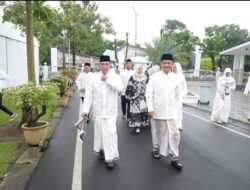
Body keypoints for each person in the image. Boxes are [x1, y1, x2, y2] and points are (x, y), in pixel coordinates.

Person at [82, 55, 123, 169]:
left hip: (111, 112)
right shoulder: (93, 78)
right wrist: (86, 110)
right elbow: (89, 95)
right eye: (102, 64)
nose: (104, 66)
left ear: (110, 65)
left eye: (107, 64)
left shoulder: (115, 76)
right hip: (98, 111)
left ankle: (109, 157)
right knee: (99, 132)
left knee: (110, 133)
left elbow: (120, 88)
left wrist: (107, 80)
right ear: (99, 65)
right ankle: (101, 149)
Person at [146, 53, 183, 170]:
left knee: (175, 135)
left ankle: (174, 158)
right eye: (164, 63)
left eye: (169, 63)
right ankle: (155, 149)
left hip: (171, 113)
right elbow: (148, 94)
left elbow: (178, 95)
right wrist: (151, 108)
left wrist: (173, 106)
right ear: (161, 64)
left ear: (172, 64)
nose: (166, 65)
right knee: (157, 133)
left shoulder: (176, 78)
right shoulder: (154, 77)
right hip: (157, 111)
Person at [125, 64, 150, 134]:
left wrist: (145, 95)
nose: (140, 70)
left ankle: (143, 123)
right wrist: (133, 95)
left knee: (143, 111)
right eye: (138, 69)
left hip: (143, 98)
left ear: (143, 70)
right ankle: (136, 126)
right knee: (135, 113)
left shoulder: (146, 77)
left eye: (141, 69)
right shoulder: (132, 77)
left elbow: (149, 87)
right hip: (135, 99)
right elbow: (129, 86)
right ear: (136, 69)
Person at [172, 62, 188, 131]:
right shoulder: (170, 75)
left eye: (175, 67)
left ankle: (179, 124)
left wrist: (183, 94)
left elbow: (184, 86)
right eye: (173, 67)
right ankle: (172, 124)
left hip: (179, 96)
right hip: (171, 95)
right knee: (172, 110)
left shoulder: (182, 76)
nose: (174, 68)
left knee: (179, 110)